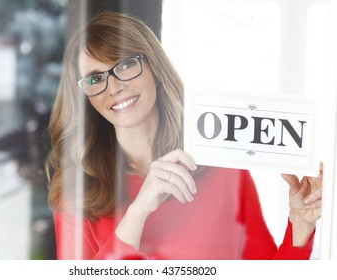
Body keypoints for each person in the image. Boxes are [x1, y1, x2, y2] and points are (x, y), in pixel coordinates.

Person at [45, 12, 323, 260]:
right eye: (95, 79)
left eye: (126, 64)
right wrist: (138, 212)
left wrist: (300, 225)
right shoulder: (76, 191)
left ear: (154, 67)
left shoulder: (224, 166)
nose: (114, 86)